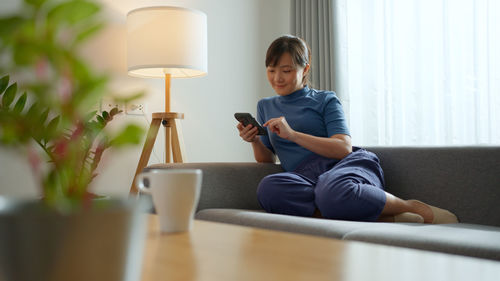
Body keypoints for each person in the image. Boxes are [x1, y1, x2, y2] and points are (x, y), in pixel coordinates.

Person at [236, 35, 458, 223]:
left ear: (305, 69)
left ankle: (406, 206)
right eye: (271, 70)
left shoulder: (325, 100)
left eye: (286, 70)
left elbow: (343, 148)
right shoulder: (265, 106)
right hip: (304, 177)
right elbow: (266, 160)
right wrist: (254, 140)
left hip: (343, 166)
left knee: (330, 190)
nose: (277, 78)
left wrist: (293, 135)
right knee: (269, 188)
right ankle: (372, 212)